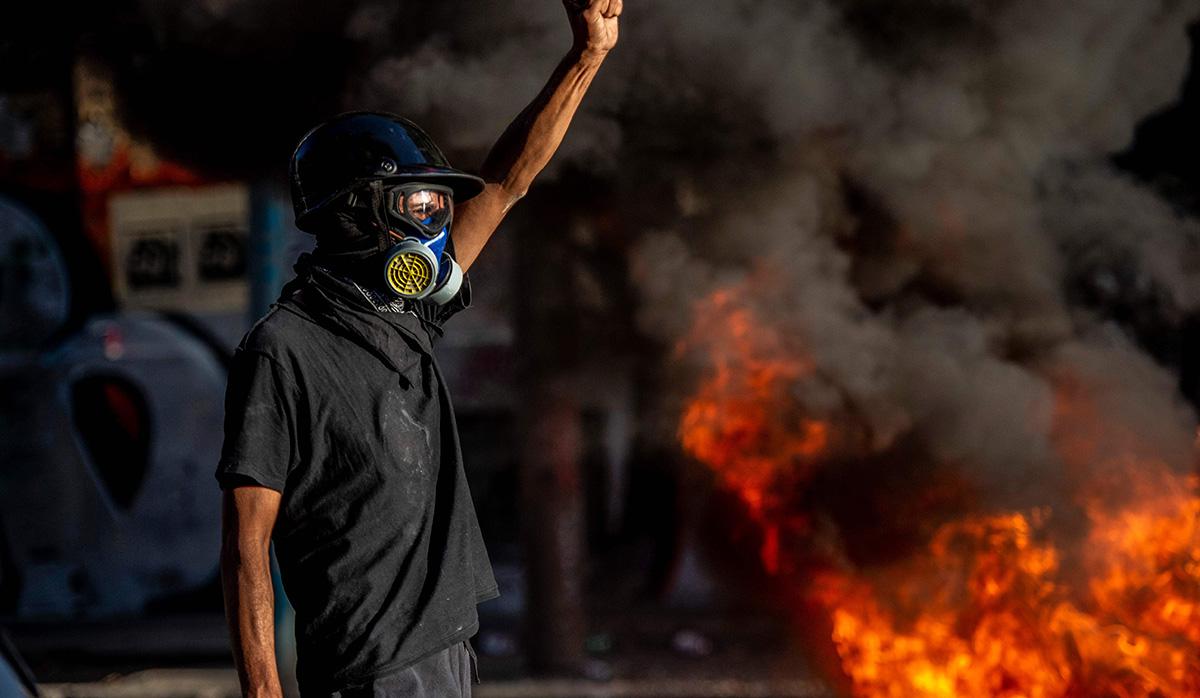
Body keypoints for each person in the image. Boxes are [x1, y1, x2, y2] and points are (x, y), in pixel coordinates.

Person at [215, 2, 621, 696]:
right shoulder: (283, 350)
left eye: (438, 205)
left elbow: (509, 182)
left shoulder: (407, 310)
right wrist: (263, 688)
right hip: (366, 670)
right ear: (354, 214)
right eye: (421, 208)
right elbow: (247, 542)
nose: (437, 227)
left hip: (449, 652)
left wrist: (589, 54)